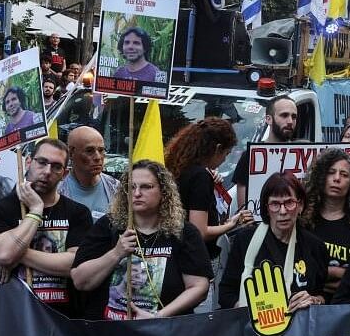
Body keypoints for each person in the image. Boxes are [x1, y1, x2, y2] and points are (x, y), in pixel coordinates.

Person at [72, 160, 210, 320]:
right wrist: (116, 254)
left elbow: (199, 287)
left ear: (164, 192)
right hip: (108, 333)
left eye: (146, 187)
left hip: (163, 333)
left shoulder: (182, 232)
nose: (137, 193)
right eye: (131, 187)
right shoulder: (109, 225)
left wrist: (159, 316)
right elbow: (80, 281)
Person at [0, 139, 92, 316]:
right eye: (42, 162)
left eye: (56, 166)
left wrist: (17, 253)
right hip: (11, 313)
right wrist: (35, 211)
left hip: (61, 317)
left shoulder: (78, 213)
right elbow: (3, 254)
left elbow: (76, 265)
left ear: (65, 173)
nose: (47, 171)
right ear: (28, 162)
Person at [165, 119, 253, 305]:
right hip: (198, 261)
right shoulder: (200, 177)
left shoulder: (180, 168)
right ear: (217, 148)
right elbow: (200, 231)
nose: (223, 161)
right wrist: (231, 224)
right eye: (226, 154)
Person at [218, 173, 329, 310]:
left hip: (300, 327)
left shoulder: (315, 246)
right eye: (275, 204)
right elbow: (226, 293)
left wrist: (314, 301)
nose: (283, 211)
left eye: (289, 203)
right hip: (252, 326)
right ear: (266, 208)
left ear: (300, 205)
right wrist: (250, 311)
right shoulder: (245, 240)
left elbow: (324, 295)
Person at [302, 148, 350, 296]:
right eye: (330, 172)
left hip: (346, 308)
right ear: (320, 177)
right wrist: (335, 272)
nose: (337, 179)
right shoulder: (303, 221)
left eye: (344, 174)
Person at [232, 95, 299, 207]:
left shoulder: (301, 155)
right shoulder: (250, 156)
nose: (290, 121)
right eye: (284, 115)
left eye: (294, 117)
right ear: (268, 119)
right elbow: (243, 208)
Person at [59, 126, 120, 219]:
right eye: (89, 151)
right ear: (71, 153)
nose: (98, 157)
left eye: (101, 150)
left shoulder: (115, 187)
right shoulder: (57, 190)